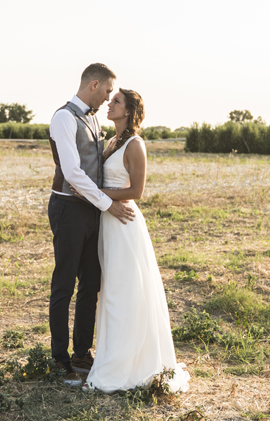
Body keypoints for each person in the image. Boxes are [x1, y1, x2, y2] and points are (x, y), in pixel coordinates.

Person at [83, 88, 190, 393]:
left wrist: (96, 195)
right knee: (111, 291)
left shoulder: (134, 144)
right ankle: (112, 355)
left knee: (124, 290)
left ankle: (129, 366)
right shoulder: (112, 141)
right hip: (108, 220)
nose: (109, 104)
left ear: (128, 111)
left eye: (115, 101)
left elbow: (137, 191)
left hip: (124, 224)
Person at [48, 63, 136, 382]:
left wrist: (102, 204)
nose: (109, 97)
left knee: (91, 284)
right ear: (94, 84)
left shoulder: (94, 118)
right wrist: (108, 203)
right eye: (108, 91)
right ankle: (60, 359)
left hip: (91, 212)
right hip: (68, 209)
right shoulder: (63, 117)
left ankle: (82, 354)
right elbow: (72, 172)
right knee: (64, 284)